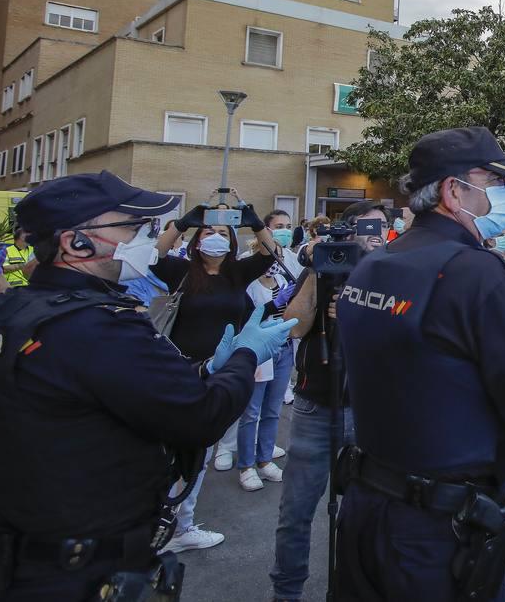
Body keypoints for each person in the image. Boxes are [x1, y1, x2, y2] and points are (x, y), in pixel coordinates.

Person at [0, 172, 292, 601]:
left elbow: (112, 390)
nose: (142, 238)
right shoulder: (100, 325)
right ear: (76, 242)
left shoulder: (12, 308)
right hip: (73, 567)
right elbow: (201, 416)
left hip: (13, 546)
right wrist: (245, 356)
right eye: (130, 227)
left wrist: (203, 370)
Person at [334, 127, 505, 600]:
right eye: (495, 183)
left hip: (366, 509)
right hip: (437, 532)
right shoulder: (475, 273)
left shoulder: (375, 262)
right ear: (452, 191)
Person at [267, 199, 385, 602]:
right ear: (348, 230)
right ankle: (286, 592)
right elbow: (295, 328)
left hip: (369, 408)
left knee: (364, 512)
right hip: (316, 405)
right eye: (368, 228)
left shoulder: (392, 273)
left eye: (382, 227)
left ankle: (356, 588)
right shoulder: (322, 264)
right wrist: (320, 269)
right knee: (296, 512)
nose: (376, 235)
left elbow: (406, 327)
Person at [149, 202, 278, 551]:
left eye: (223, 233)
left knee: (200, 453)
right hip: (180, 368)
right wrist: (181, 223)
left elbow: (272, 253)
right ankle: (156, 519)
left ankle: (181, 524)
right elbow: (152, 255)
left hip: (221, 371)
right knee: (165, 449)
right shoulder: (183, 271)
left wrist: (255, 223)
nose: (215, 238)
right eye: (208, 231)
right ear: (196, 240)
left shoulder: (237, 273)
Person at [234, 210, 303, 493]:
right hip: (257, 351)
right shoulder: (247, 281)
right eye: (278, 228)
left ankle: (264, 459)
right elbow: (246, 316)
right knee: (251, 411)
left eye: (289, 227)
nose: (284, 233)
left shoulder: (285, 277)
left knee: (273, 409)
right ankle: (247, 465)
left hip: (282, 347)